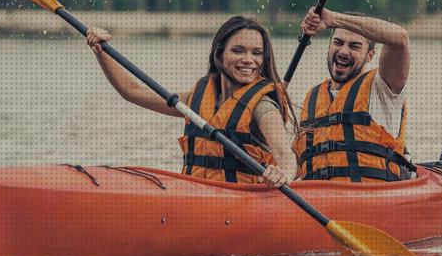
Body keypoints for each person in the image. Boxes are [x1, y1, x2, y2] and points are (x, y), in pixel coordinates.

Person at [86, 15, 298, 187]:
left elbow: (284, 153)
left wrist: (283, 175)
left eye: (257, 53)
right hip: (197, 193)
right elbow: (132, 91)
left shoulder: (263, 106)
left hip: (240, 200)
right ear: (219, 53)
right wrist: (101, 52)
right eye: (238, 50)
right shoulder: (197, 98)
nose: (248, 60)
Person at [292, 8, 415, 182]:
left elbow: (399, 39)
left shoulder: (383, 88)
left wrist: (332, 19)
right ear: (329, 47)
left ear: (369, 56)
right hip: (316, 199)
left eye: (354, 46)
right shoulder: (312, 98)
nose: (343, 51)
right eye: (338, 42)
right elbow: (297, 161)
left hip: (369, 200)